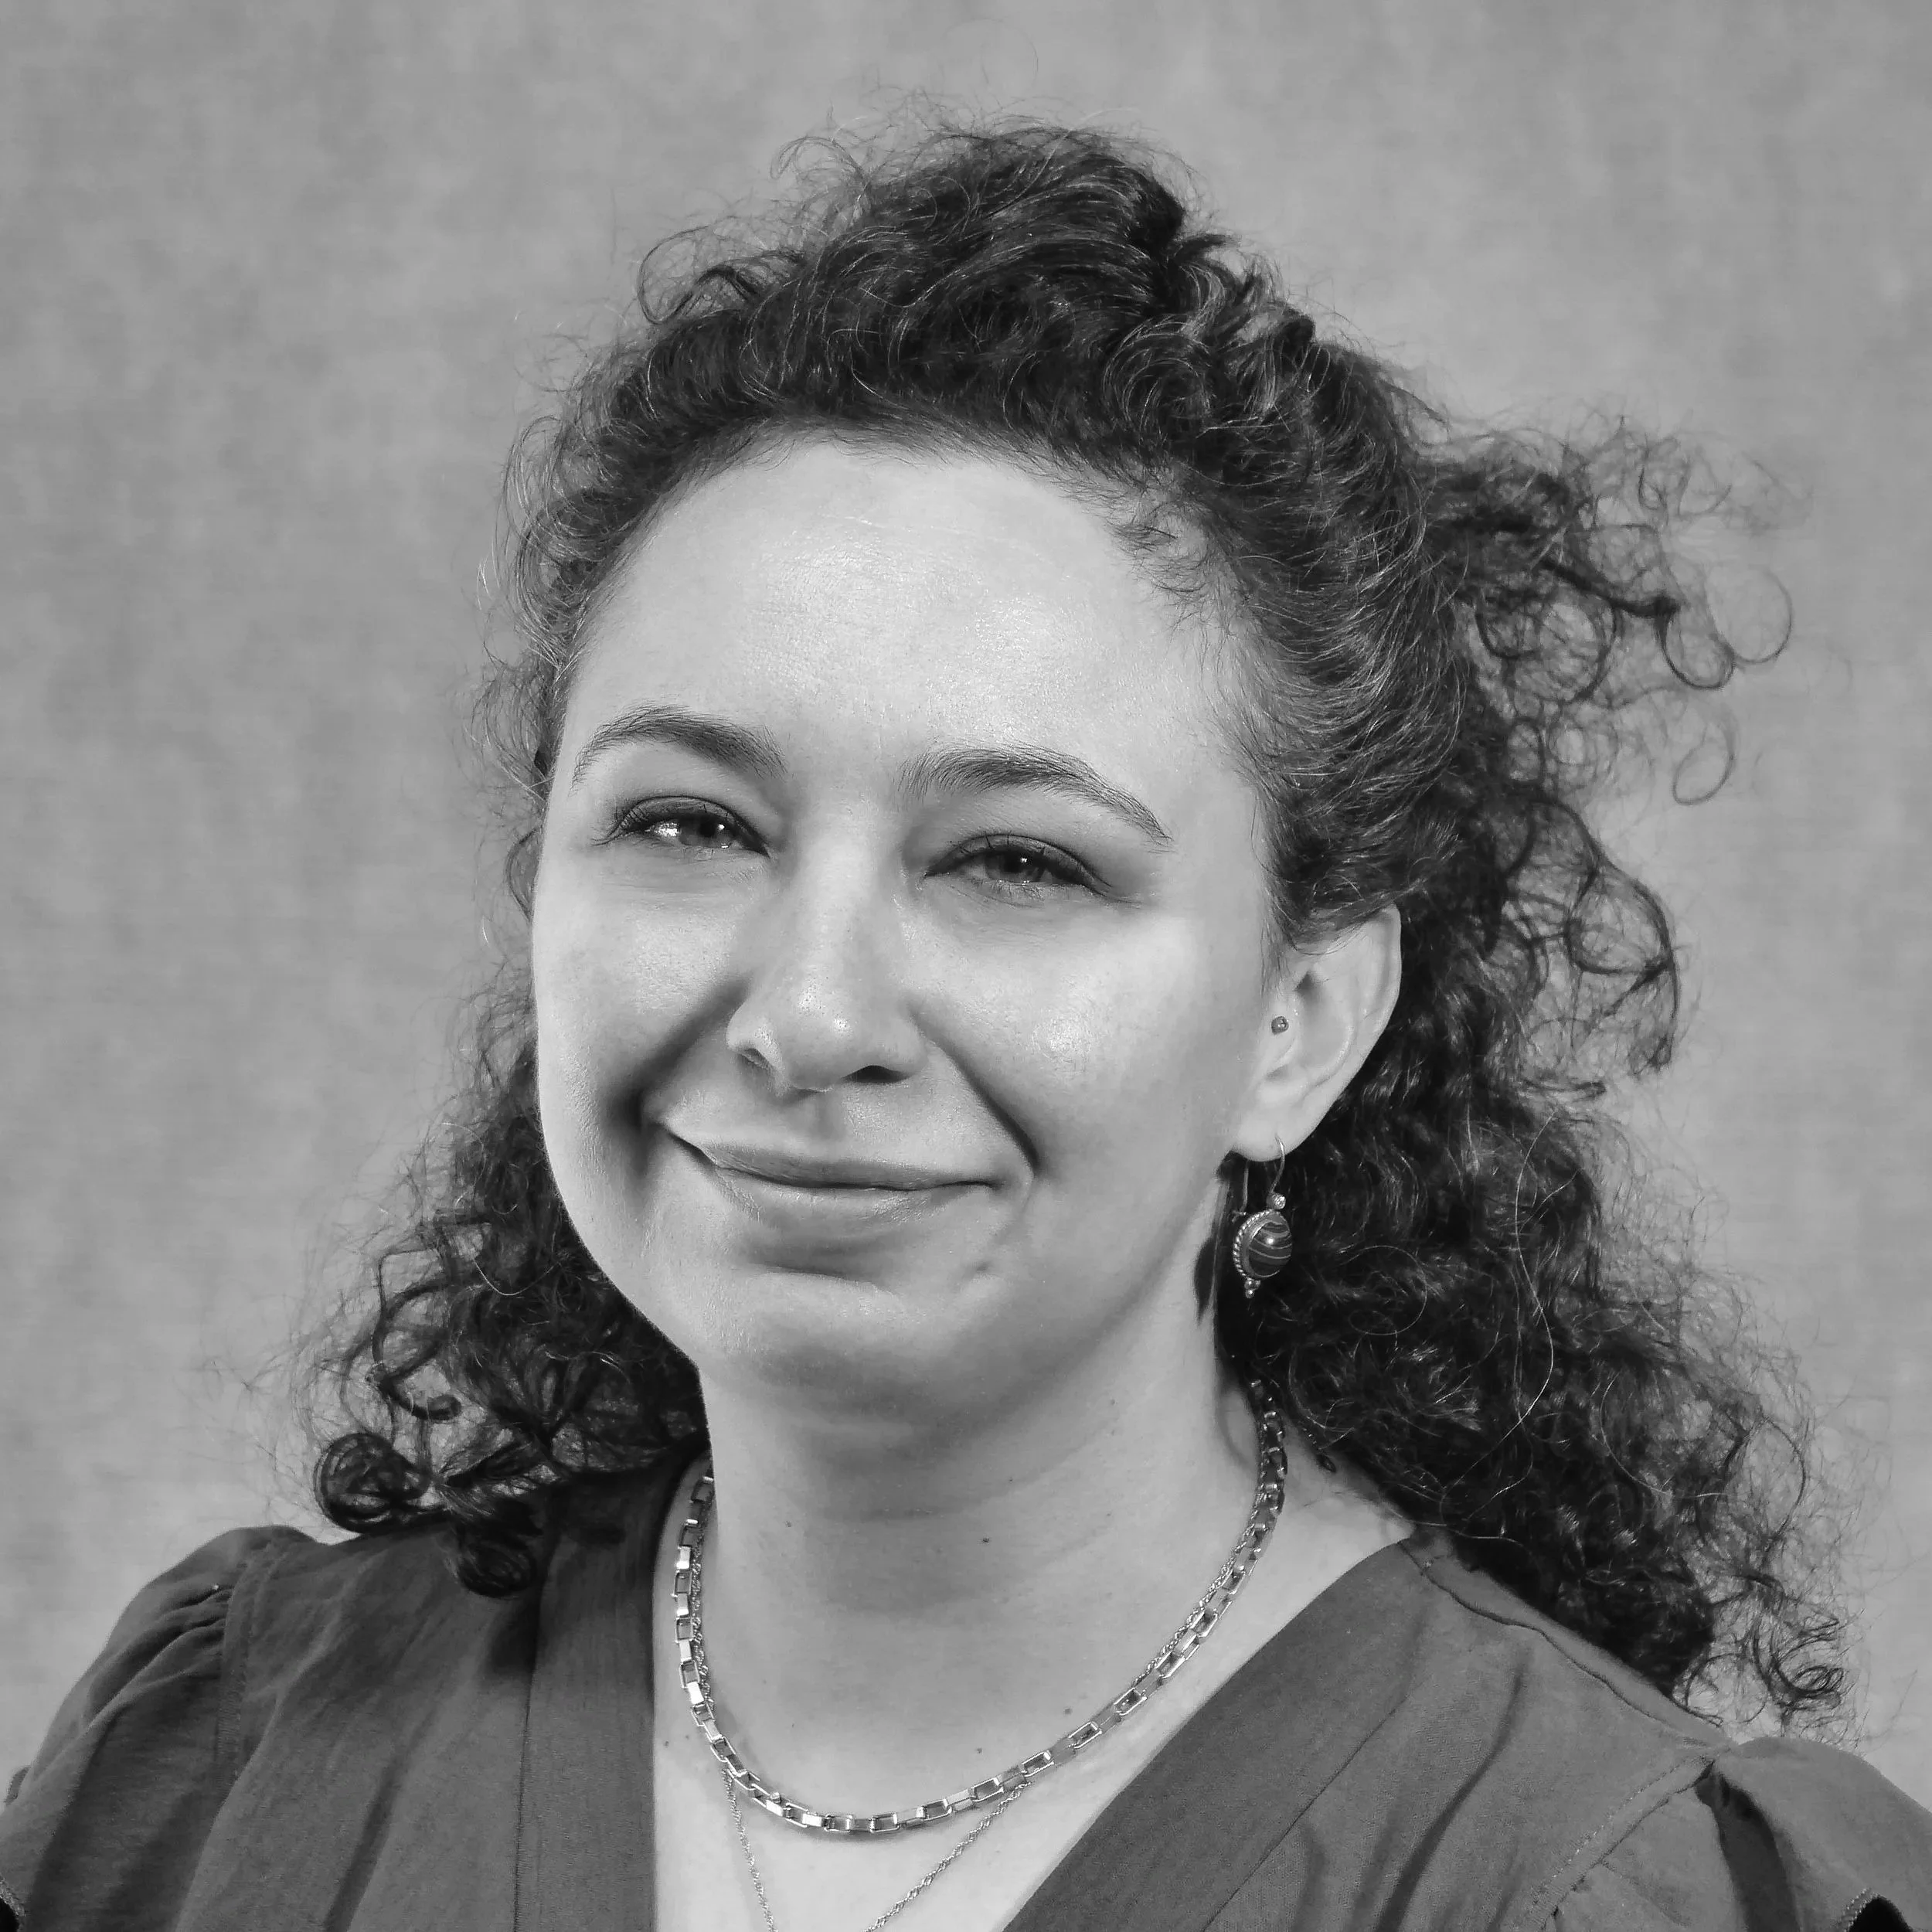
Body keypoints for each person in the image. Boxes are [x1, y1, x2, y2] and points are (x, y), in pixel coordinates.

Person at [4, 114, 1928, 1932]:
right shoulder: (232, 1763)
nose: (810, 1012)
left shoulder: (1598, 1883)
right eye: (688, 822)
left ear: (1301, 1018)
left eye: (1015, 861)